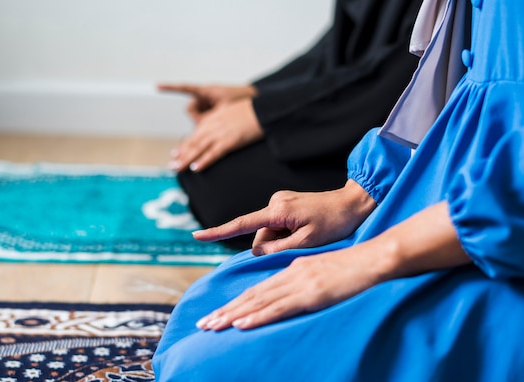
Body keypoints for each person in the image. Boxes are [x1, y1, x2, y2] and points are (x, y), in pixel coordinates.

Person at [153, 0, 524, 382]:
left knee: (212, 374)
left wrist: (374, 257)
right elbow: (454, 70)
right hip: (458, 184)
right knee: (209, 310)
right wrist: (360, 195)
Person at [159, 0, 424, 249]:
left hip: (399, 137)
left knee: (225, 188)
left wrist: (263, 114)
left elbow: (401, 78)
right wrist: (255, 93)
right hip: (345, 118)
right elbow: (339, 49)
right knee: (209, 167)